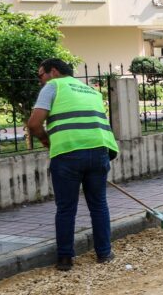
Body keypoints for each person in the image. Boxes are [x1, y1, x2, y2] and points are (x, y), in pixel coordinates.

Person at [26, 58, 119, 271]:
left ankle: (65, 259)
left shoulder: (53, 86)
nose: (40, 80)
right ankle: (104, 253)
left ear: (54, 71)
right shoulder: (91, 91)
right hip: (99, 151)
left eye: (40, 75)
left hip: (67, 154)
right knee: (99, 205)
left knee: (66, 208)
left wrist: (47, 141)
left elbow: (34, 123)